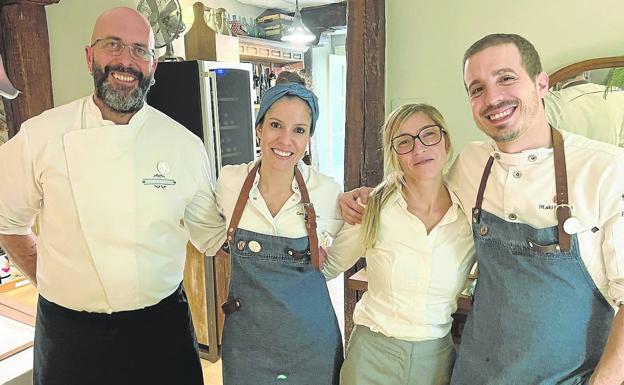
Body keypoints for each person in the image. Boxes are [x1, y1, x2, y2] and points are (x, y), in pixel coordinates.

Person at [340, 34, 624, 384]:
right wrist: (365, 196)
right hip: (477, 373)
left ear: (541, 84)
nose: (492, 98)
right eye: (477, 89)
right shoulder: (472, 165)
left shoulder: (607, 170)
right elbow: (421, 185)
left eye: (506, 78)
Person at [0, 7, 222, 385]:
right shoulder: (40, 136)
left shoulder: (184, 145)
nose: (126, 60)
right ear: (90, 56)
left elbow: (211, 235)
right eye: (113, 45)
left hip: (161, 330)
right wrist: (56, 282)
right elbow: (7, 222)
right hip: (69, 336)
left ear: (153, 64)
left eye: (140, 50)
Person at [205, 73, 344, 384]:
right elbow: (207, 229)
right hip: (247, 346)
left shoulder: (326, 191)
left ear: (309, 139)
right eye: (275, 125)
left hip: (311, 344)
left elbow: (354, 237)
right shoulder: (230, 182)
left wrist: (327, 265)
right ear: (259, 128)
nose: (285, 140)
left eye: (299, 130)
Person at [323, 103, 474, 385]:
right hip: (370, 359)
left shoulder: (468, 218)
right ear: (395, 155)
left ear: (446, 141)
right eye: (404, 142)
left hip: (436, 363)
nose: (419, 149)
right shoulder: (373, 208)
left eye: (428, 135)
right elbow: (327, 269)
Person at [545, 71, 624, 146]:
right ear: (587, 72)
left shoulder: (551, 102)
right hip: (611, 158)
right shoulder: (618, 94)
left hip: (568, 158)